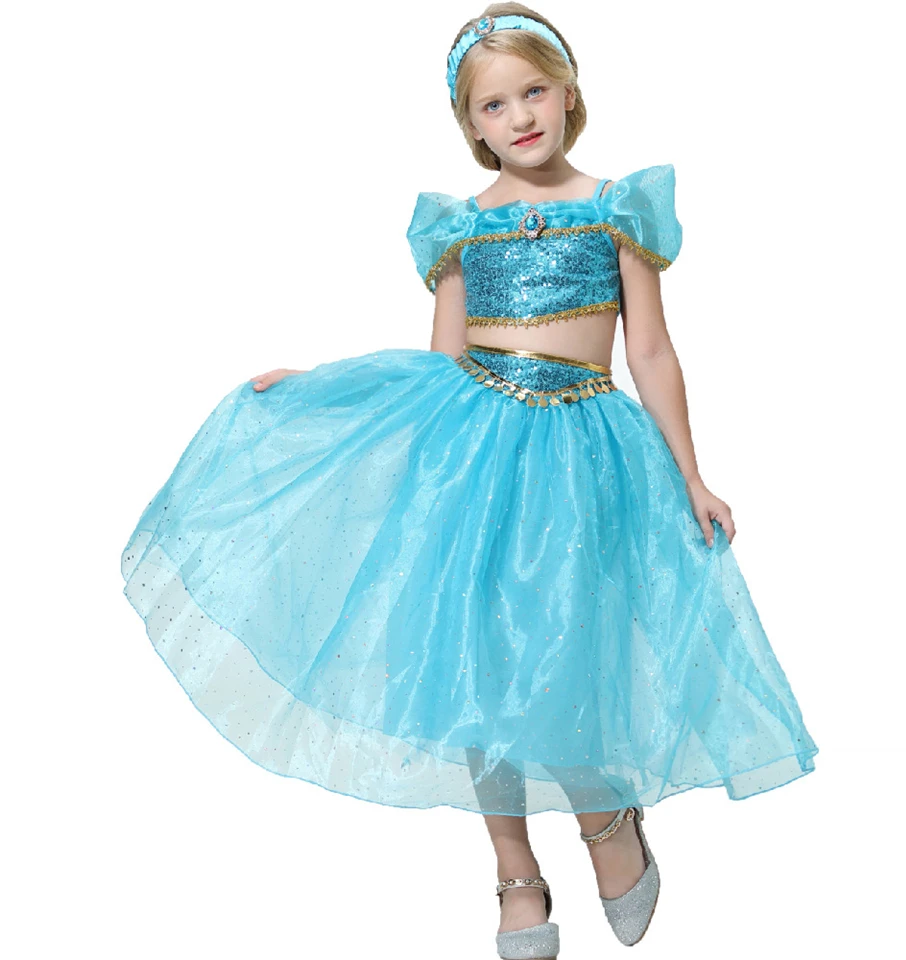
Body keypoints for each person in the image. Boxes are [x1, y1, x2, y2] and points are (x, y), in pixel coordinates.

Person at [120, 4, 819, 958]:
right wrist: (324, 392)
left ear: (568, 94)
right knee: (474, 659)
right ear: (471, 122)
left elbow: (651, 350)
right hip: (476, 453)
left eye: (534, 91)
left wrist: (692, 474)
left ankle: (604, 818)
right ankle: (513, 867)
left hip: (584, 451)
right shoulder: (460, 228)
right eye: (495, 104)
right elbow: (439, 366)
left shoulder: (617, 207)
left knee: (564, 645)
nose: (519, 116)